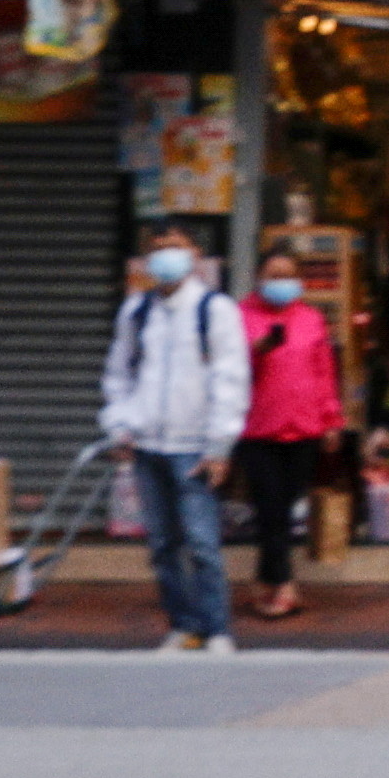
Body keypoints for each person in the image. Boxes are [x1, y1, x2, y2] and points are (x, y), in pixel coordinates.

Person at [96, 232, 248, 652]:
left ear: (196, 255)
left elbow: (230, 378)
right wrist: (120, 424)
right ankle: (185, 626)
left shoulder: (213, 310)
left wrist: (219, 444)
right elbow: (118, 374)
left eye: (176, 246)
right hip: (148, 447)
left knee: (202, 544)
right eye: (158, 248)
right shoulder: (137, 312)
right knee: (162, 546)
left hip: (194, 446)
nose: (166, 256)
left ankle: (216, 628)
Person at [234, 263, 352, 627]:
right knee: (270, 506)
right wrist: (257, 351)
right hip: (257, 428)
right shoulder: (240, 316)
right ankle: (283, 584)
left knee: (283, 508)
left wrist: (332, 419)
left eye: (288, 274)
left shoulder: (311, 318)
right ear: (258, 278)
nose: (281, 282)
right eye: (273, 274)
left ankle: (265, 579)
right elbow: (227, 370)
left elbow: (324, 373)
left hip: (304, 427)